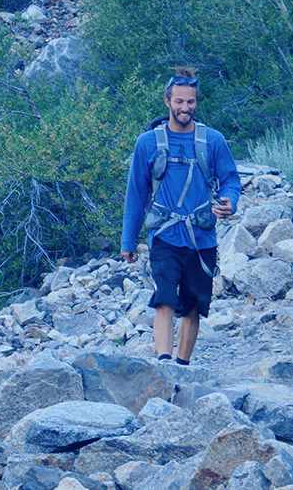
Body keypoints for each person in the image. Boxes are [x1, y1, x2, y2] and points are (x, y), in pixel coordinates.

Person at [120, 67, 241, 365]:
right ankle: (164, 363)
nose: (185, 108)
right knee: (163, 298)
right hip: (164, 235)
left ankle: (182, 367)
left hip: (202, 239)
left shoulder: (213, 141)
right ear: (167, 101)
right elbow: (136, 193)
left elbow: (231, 180)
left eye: (190, 102)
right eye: (179, 102)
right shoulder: (147, 143)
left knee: (193, 306)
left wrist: (230, 203)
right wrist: (128, 241)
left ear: (197, 102)